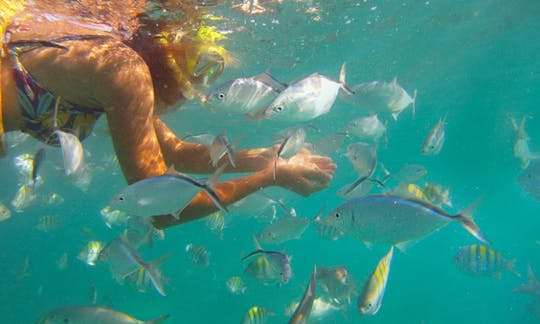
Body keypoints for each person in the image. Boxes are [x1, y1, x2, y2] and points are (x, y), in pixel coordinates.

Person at [0, 0, 336, 229]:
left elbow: (176, 153)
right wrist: (270, 177)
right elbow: (157, 206)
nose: (197, 85)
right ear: (171, 45)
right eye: (201, 67)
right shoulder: (124, 70)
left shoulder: (116, 73)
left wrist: (270, 159)